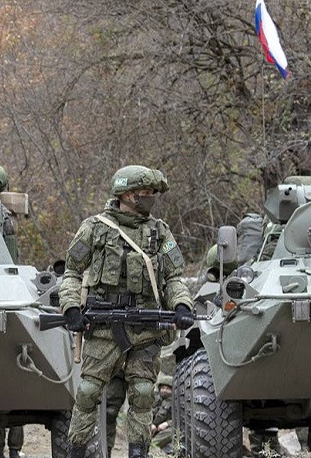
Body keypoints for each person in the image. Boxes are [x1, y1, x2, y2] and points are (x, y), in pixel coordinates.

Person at [60, 165, 194, 458]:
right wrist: (71, 308)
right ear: (127, 194)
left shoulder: (160, 232)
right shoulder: (94, 227)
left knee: (143, 394)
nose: (150, 198)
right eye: (145, 192)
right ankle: (76, 451)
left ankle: (138, 453)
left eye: (152, 193)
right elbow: (71, 272)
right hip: (103, 328)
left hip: (145, 329)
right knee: (88, 393)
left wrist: (182, 305)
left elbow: (174, 277)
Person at [149, 372, 173, 454]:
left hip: (169, 429)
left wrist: (167, 423)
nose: (164, 391)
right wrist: (152, 424)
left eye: (167, 389)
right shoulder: (156, 400)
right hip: (155, 429)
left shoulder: (177, 403)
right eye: (163, 388)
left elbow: (181, 420)